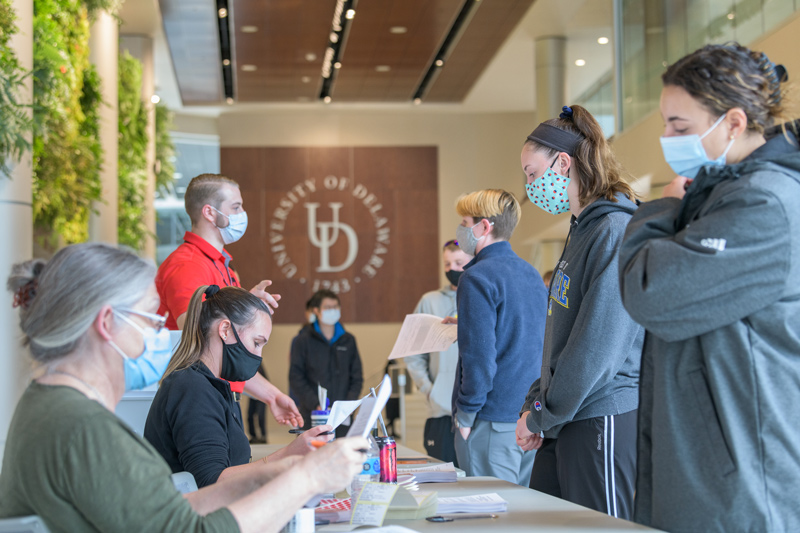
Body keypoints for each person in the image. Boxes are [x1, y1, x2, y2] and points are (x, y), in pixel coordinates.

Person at [0, 243, 366, 533]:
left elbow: (173, 509)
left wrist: (278, 473)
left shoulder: (48, 406)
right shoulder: (84, 428)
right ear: (108, 323)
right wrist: (307, 478)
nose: (162, 333)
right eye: (150, 318)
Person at [619, 43, 800, 532]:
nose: (667, 138)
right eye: (665, 124)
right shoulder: (724, 195)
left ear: (734, 122)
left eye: (680, 127)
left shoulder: (763, 205)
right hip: (707, 466)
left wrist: (660, 209)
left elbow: (650, 291)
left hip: (740, 479)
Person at [514, 105, 643, 520]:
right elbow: (562, 337)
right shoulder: (582, 229)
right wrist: (538, 402)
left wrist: (542, 414)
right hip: (567, 418)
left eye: (532, 173)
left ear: (563, 162)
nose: (529, 185)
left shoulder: (613, 231)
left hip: (600, 416)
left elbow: (596, 348)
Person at [144, 285, 331, 488]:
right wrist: (289, 454)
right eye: (256, 342)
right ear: (225, 330)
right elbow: (212, 482)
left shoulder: (216, 387)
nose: (258, 356)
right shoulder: (192, 388)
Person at [156, 173, 302, 427]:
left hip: (217, 395)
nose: (242, 213)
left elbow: (229, 352)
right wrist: (242, 311)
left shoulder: (224, 268)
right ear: (210, 213)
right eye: (236, 207)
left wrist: (272, 396)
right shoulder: (188, 266)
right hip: (194, 400)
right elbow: (201, 341)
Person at [451, 189, 547, 485]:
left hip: (490, 420)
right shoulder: (531, 274)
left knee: (491, 516)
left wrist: (465, 415)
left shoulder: (477, 277)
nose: (460, 230)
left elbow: (479, 358)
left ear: (484, 227)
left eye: (465, 222)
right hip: (528, 418)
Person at [405, 239, 472, 464]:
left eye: (458, 262)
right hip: (441, 411)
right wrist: (429, 389)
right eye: (447, 264)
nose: (452, 269)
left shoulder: (480, 297)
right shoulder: (429, 301)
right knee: (441, 475)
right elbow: (412, 351)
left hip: (476, 409)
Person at [289, 289, 364, 438]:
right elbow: (296, 377)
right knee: (312, 457)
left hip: (343, 418)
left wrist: (347, 406)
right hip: (312, 415)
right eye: (328, 307)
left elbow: (357, 376)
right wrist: (316, 404)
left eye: (336, 307)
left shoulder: (348, 340)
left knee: (343, 456)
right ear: (316, 310)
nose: (333, 311)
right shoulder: (303, 340)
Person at [247, 366, 268, 444]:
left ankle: (263, 436)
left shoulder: (258, 365)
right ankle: (253, 436)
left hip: (262, 395)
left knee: (260, 416)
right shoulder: (248, 364)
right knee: (249, 416)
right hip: (252, 395)